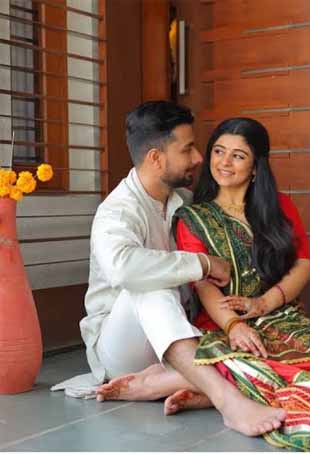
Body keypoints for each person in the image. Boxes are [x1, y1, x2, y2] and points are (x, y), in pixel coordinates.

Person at [51, 101, 286, 437]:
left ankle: (169, 383)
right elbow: (123, 269)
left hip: (180, 334)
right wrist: (202, 263)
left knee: (263, 342)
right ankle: (228, 402)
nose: (199, 158)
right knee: (150, 287)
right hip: (122, 348)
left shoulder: (184, 201)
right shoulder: (116, 211)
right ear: (156, 158)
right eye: (187, 149)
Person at [169, 117, 310, 451]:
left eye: (238, 155)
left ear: (255, 167)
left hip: (279, 314)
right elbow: (203, 285)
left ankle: (206, 388)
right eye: (219, 151)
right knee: (278, 370)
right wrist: (234, 325)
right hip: (223, 322)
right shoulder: (194, 218)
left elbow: (303, 264)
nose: (224, 162)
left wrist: (264, 303)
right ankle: (222, 390)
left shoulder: (278, 207)